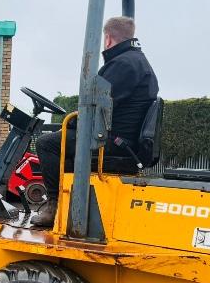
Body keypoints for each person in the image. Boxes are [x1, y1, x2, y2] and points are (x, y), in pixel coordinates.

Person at [31, 16, 159, 227]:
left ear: (108, 39)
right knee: (63, 147)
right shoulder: (137, 61)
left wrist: (71, 123)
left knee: (47, 144)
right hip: (123, 140)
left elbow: (94, 107)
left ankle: (55, 205)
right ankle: (68, 203)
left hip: (113, 142)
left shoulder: (122, 65)